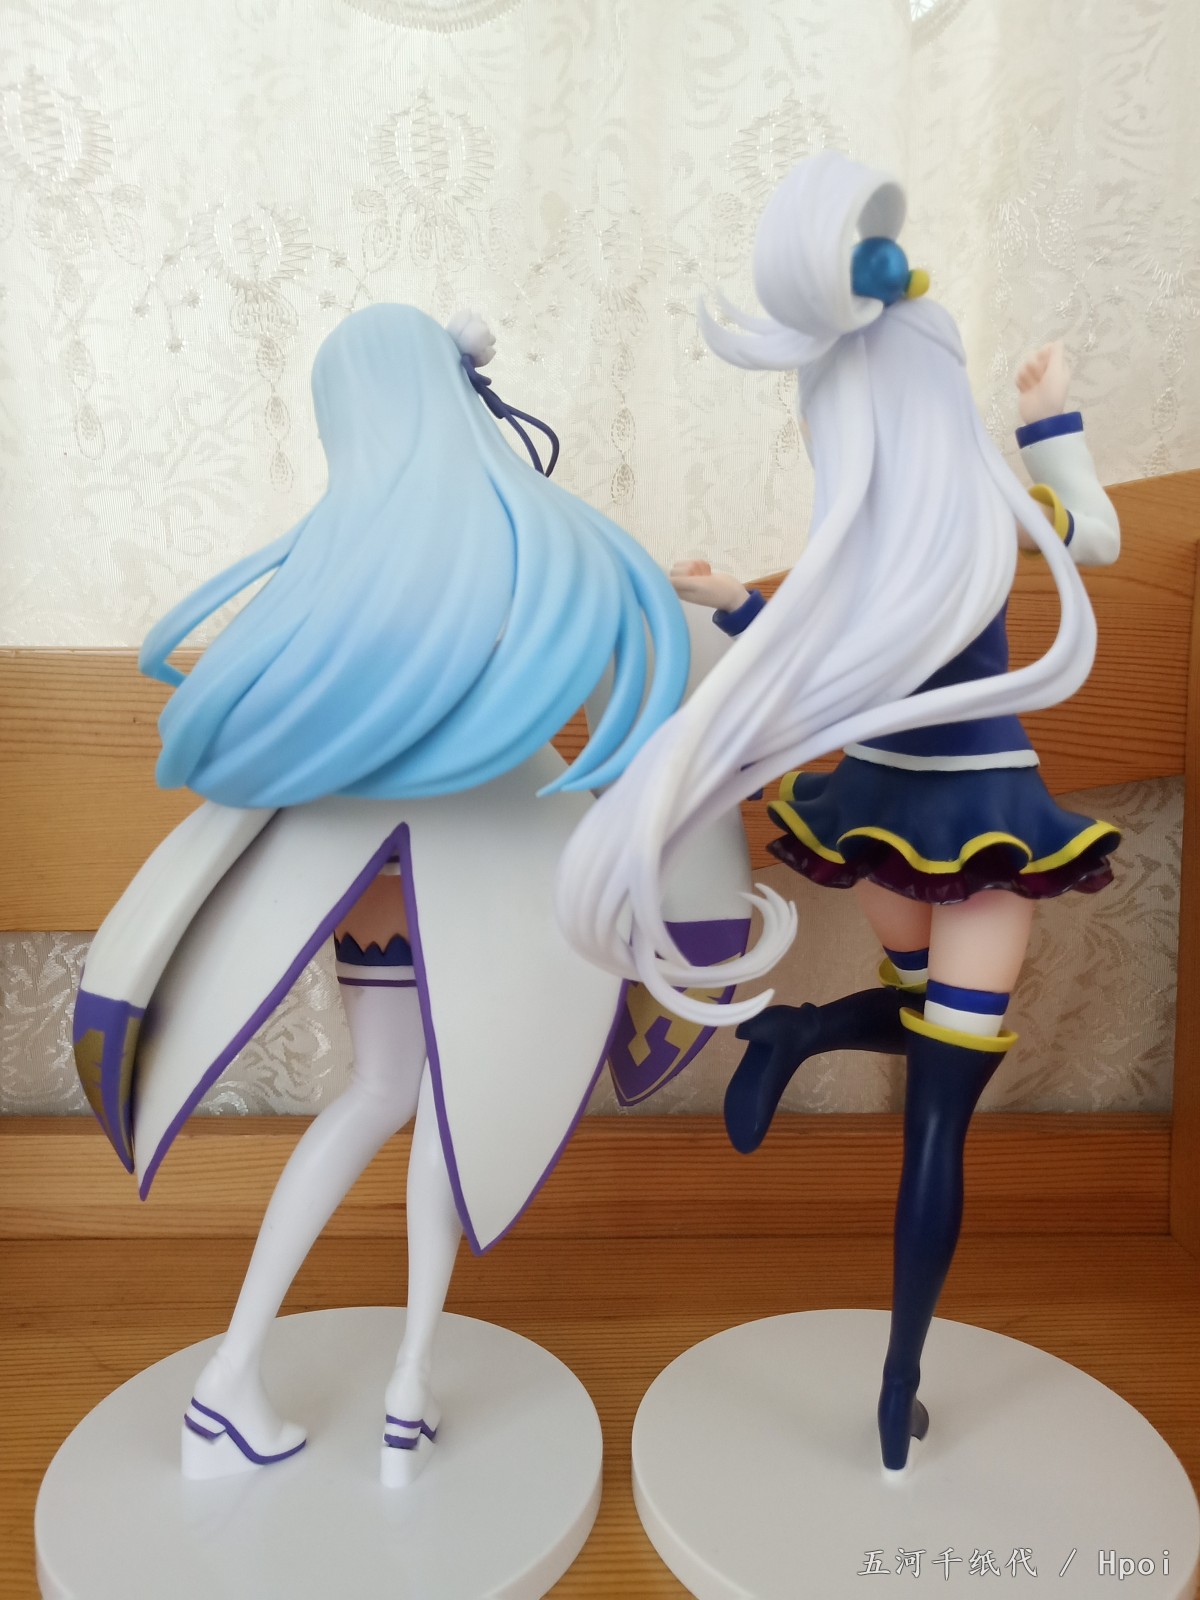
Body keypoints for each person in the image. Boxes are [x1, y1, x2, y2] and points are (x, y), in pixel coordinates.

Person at [555, 151, 1120, 1471]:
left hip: (878, 828)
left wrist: (735, 609)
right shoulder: (987, 515)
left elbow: (802, 650)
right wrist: (1050, 423)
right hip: (985, 831)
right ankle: (896, 1387)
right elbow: (1090, 536)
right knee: (942, 1101)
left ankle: (797, 1030)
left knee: (933, 1036)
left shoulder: (866, 541)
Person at [73, 302, 690, 1484]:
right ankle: (404, 1384)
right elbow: (598, 678)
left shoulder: (334, 566)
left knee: (380, 1093)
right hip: (480, 860)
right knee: (446, 1110)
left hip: (367, 877)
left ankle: (239, 1375)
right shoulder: (503, 535)